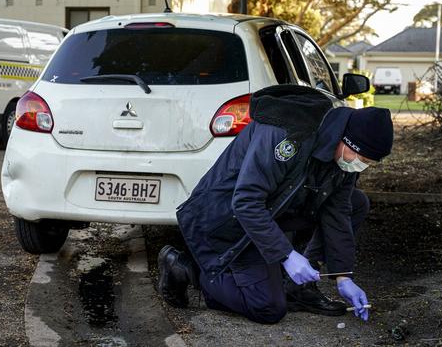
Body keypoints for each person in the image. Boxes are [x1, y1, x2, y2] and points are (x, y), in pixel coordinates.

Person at [157, 84, 393, 324]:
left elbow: (338, 211)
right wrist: (286, 255)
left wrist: (344, 276)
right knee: (268, 307)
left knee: (356, 202)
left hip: (271, 211)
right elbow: (246, 202)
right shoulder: (286, 135)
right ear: (346, 140)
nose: (361, 166)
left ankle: (299, 286)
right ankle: (186, 269)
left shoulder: (341, 157)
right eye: (362, 159)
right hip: (228, 218)